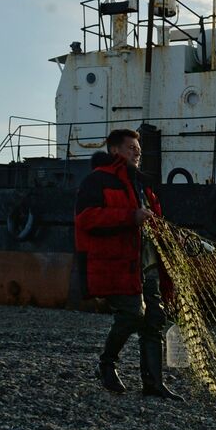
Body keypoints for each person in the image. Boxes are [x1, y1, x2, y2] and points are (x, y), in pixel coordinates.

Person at [74, 128, 181, 399]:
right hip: (120, 263)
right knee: (133, 314)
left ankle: (153, 384)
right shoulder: (97, 181)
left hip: (148, 263)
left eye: (139, 149)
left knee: (155, 319)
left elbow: (154, 222)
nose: (138, 152)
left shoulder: (143, 185)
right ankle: (107, 362)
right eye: (131, 148)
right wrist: (129, 217)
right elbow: (86, 219)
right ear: (114, 151)